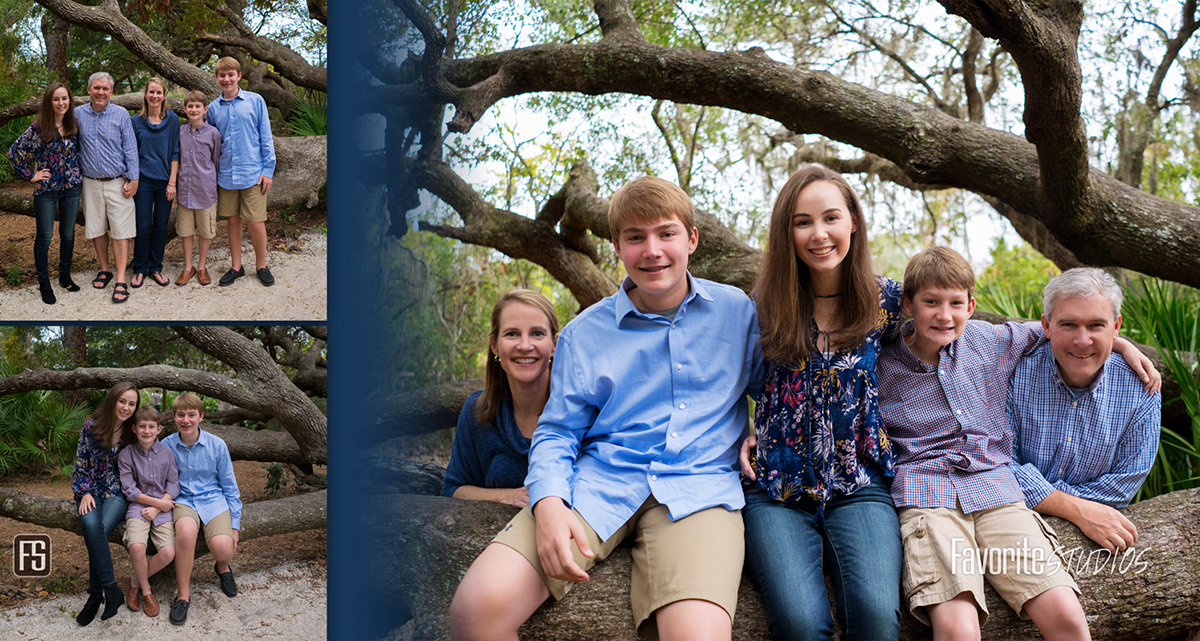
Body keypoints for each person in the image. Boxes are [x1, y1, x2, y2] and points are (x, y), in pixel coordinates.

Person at [450, 176, 764, 640]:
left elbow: (775, 390)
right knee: (477, 610)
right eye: (635, 237)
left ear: (692, 239)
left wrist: (762, 429)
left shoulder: (737, 312)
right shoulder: (584, 334)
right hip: (599, 483)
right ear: (617, 245)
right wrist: (551, 503)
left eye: (666, 233)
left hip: (699, 491)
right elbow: (557, 432)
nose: (652, 250)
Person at [876, 247, 1159, 640]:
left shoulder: (990, 340)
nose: (944, 315)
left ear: (971, 306)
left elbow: (1066, 330)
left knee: (1068, 617)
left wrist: (1122, 344)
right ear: (908, 304)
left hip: (996, 494)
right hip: (929, 498)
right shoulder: (881, 365)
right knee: (958, 629)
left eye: (956, 303)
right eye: (930, 303)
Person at [737, 166, 902, 640]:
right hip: (775, 489)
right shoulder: (761, 306)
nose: (819, 234)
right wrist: (736, 432)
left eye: (831, 217)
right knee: (799, 623)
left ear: (854, 222)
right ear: (786, 232)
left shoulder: (885, 300)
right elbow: (715, 380)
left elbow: (956, 330)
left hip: (859, 482)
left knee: (874, 617)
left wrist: (1116, 344)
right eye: (802, 221)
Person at [1009, 267, 1161, 553]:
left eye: (1096, 325)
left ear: (1116, 328)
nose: (1082, 340)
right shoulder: (1015, 373)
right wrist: (1077, 510)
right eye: (1068, 325)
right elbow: (998, 463)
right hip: (1005, 522)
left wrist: (1041, 496)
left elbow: (1124, 483)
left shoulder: (1141, 390)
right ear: (1046, 325)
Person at [442, 289, 559, 506]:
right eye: (512, 334)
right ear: (495, 345)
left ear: (554, 344)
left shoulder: (581, 406)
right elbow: (454, 487)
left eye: (537, 333)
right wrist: (507, 496)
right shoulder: (478, 411)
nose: (524, 345)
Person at [161, 392, 242, 626]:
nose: (186, 420)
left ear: (201, 417)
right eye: (181, 415)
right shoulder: (166, 446)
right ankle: (183, 596)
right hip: (183, 500)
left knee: (224, 549)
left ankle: (223, 567)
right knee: (185, 535)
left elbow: (230, 487)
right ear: (174, 417)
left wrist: (234, 525)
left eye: (191, 415)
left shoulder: (217, 445)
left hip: (213, 500)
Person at [7, 82, 84, 304]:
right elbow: (14, 153)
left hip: (72, 187)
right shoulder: (38, 127)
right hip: (47, 190)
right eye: (56, 99)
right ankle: (44, 283)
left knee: (68, 234)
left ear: (70, 101)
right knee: (45, 238)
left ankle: (65, 276)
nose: (61, 103)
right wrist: (30, 175)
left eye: (65, 98)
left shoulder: (74, 125)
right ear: (49, 102)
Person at [71, 381, 139, 626]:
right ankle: (110, 591)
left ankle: (94, 596)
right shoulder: (92, 425)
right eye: (123, 401)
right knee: (92, 526)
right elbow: (81, 463)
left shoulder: (133, 431)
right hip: (90, 490)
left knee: (97, 531)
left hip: (118, 493)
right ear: (113, 399)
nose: (126, 407)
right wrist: (86, 492)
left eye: (132, 404)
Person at [207, 56, 276, 287]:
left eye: (230, 74)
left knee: (256, 221)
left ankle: (261, 265)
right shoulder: (213, 108)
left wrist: (268, 169)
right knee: (233, 221)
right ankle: (236, 266)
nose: (226, 79)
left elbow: (266, 137)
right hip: (226, 174)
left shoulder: (256, 101)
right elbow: (214, 144)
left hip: (253, 173)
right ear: (217, 78)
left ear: (239, 76)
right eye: (222, 75)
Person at [74, 71, 139, 303]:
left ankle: (121, 278)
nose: (100, 92)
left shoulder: (121, 114)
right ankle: (105, 269)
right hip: (90, 182)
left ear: (112, 92)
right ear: (89, 90)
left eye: (105, 88)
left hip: (118, 182)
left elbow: (130, 148)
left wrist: (134, 179)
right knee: (97, 228)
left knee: (121, 231)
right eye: (96, 88)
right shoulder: (77, 114)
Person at [118, 405, 179, 617]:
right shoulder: (126, 454)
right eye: (142, 426)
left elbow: (174, 484)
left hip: (162, 507)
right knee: (136, 547)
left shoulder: (167, 453)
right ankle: (145, 591)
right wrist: (154, 504)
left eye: (151, 427)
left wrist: (158, 506)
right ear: (134, 428)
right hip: (138, 506)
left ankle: (134, 582)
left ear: (159, 429)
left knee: (168, 552)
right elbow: (129, 489)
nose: (146, 431)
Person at [130, 77, 180, 288]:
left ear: (164, 95)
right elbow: (131, 153)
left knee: (160, 226)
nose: (155, 96)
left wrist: (172, 182)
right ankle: (140, 268)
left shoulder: (173, 120)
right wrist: (133, 179)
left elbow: (175, 152)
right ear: (145, 94)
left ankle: (156, 268)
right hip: (143, 182)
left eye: (159, 92)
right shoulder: (136, 121)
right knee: (143, 225)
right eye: (151, 92)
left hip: (164, 182)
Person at [174, 90, 221, 286]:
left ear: (205, 109)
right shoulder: (180, 132)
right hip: (185, 190)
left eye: (197, 106)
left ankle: (201, 267)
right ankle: (188, 267)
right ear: (185, 109)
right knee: (185, 231)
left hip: (205, 191)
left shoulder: (213, 134)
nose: (194, 109)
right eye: (190, 106)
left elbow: (216, 161)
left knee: (205, 231)